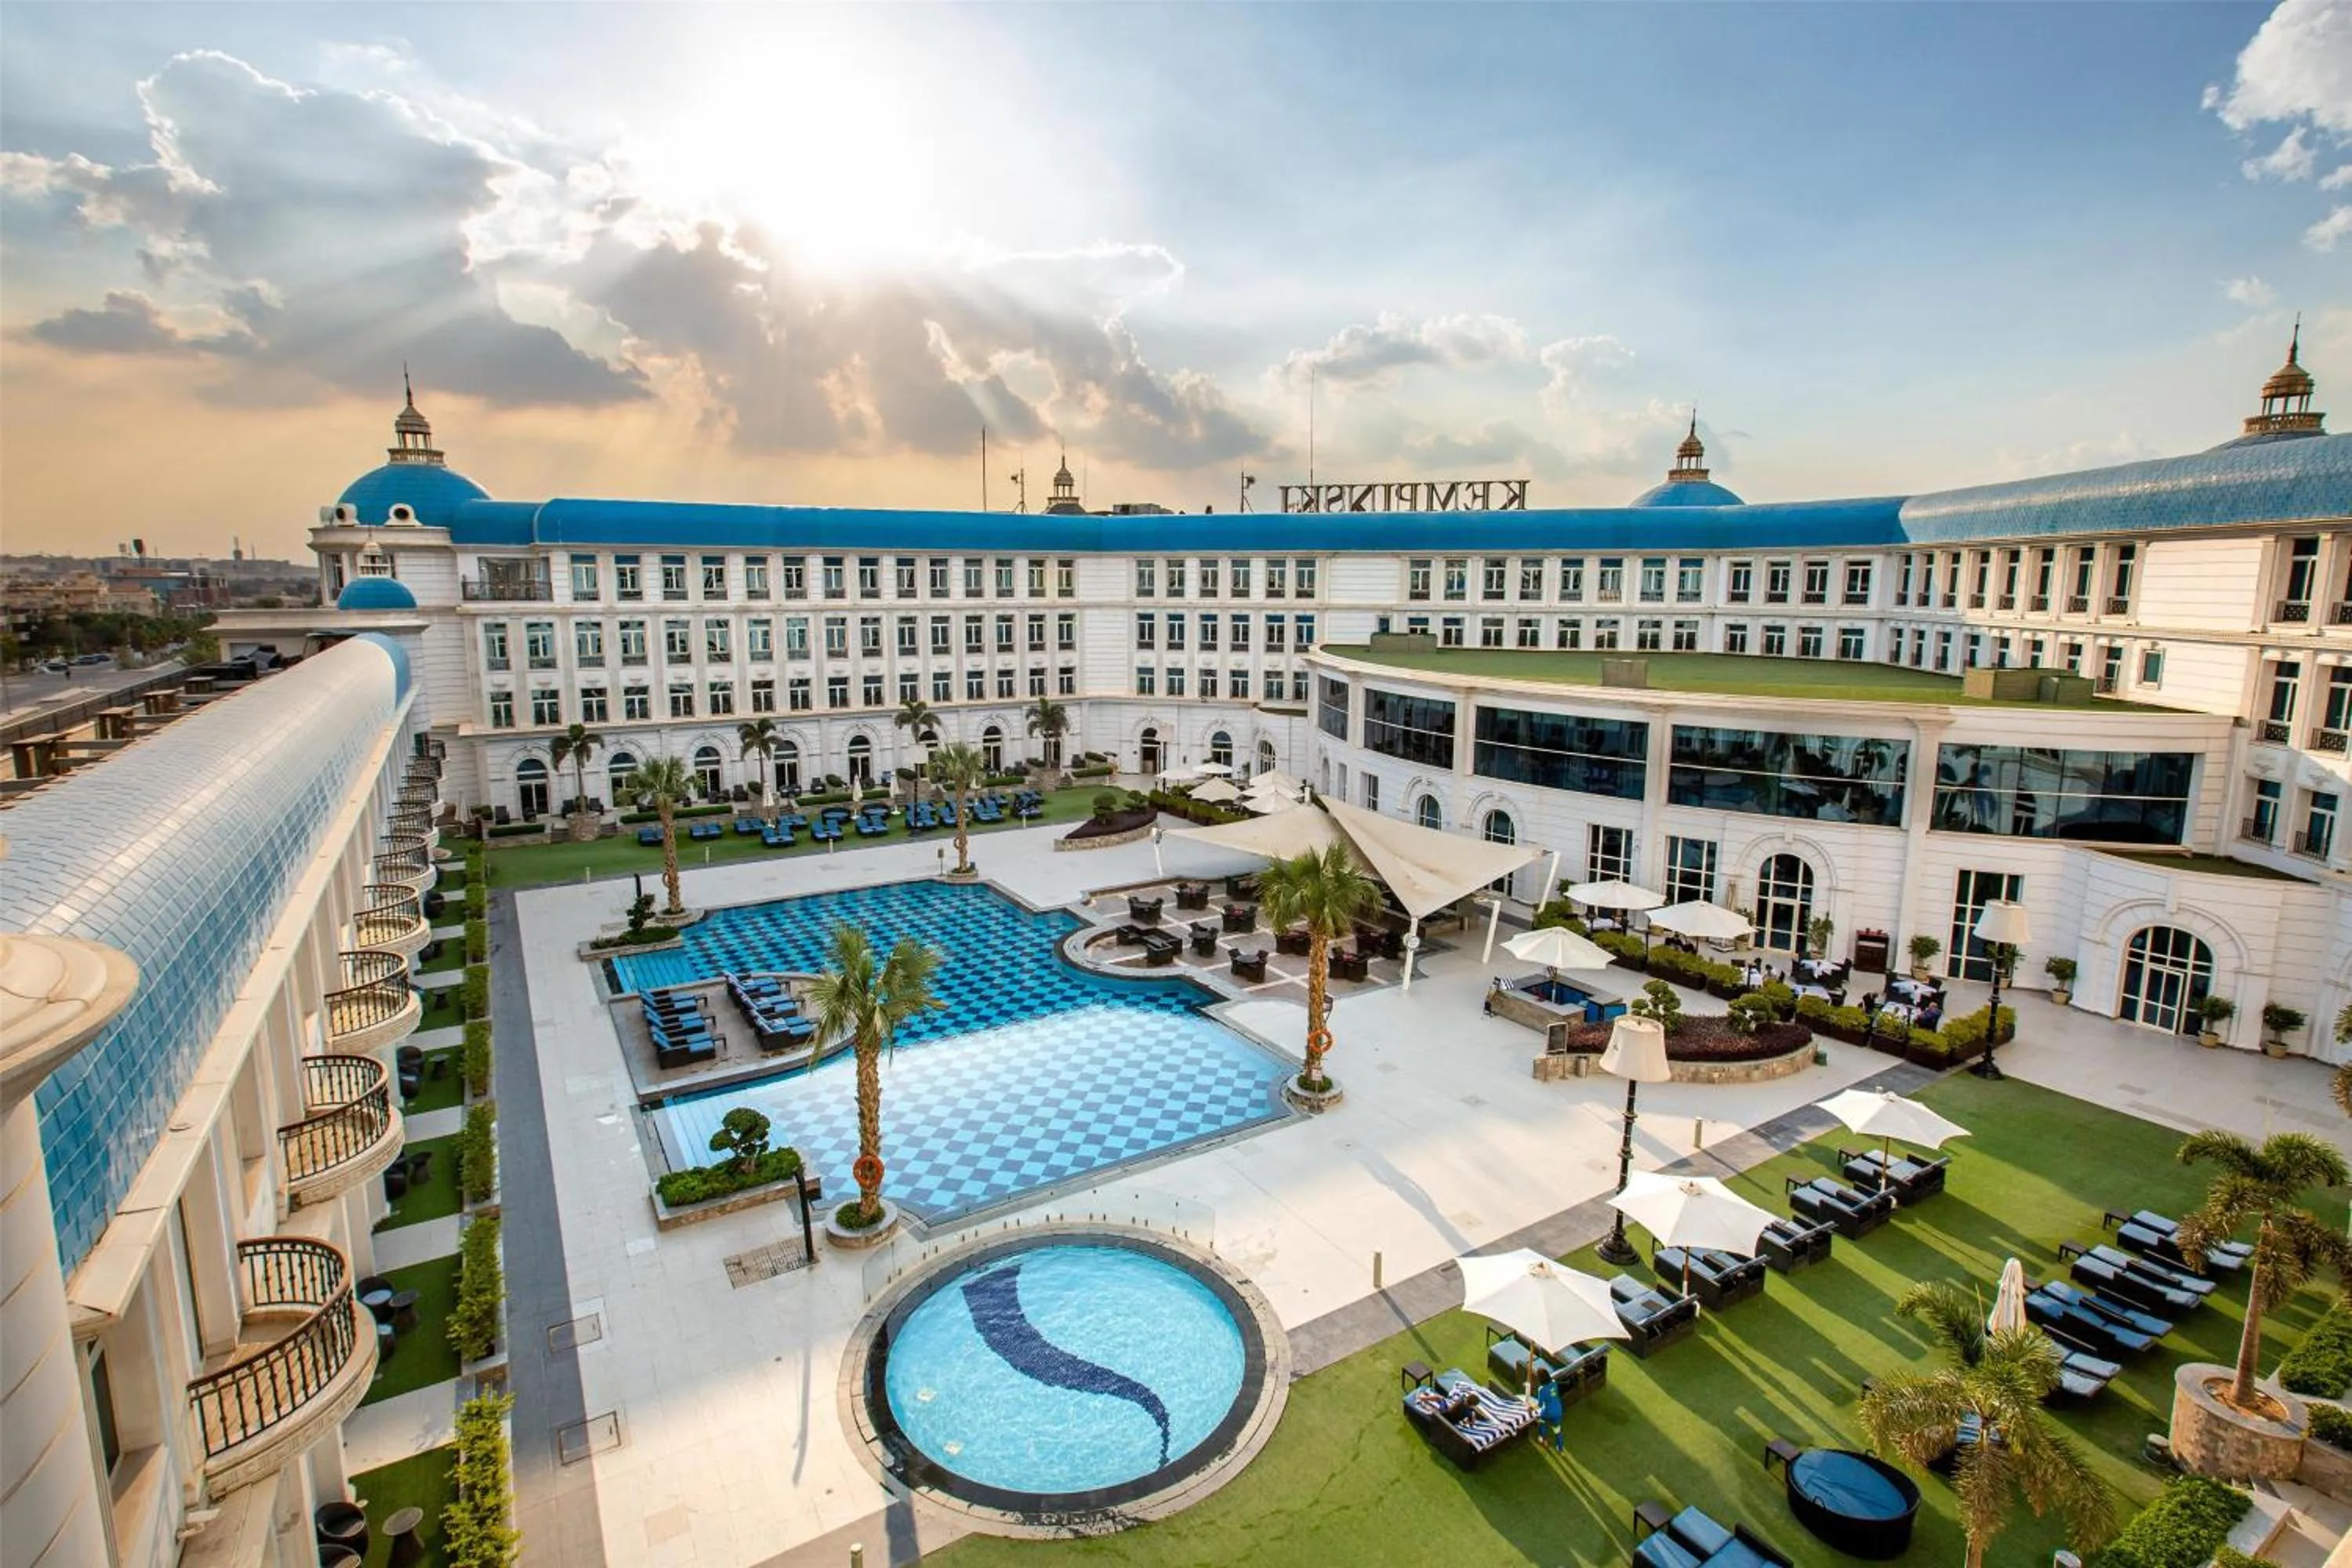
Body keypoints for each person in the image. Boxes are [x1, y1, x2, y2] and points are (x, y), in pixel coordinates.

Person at [1534, 1371, 1565, 1452]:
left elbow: (1540, 1405)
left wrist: (1531, 1407)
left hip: (1548, 1411)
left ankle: (1542, 1438)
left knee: (1541, 1420)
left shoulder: (1541, 1389)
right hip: (1558, 1409)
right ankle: (1560, 1448)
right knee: (1557, 1429)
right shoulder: (1554, 1382)